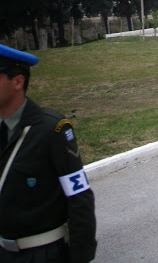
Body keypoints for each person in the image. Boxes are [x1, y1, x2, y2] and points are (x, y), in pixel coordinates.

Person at [0, 44, 97, 262]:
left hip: (42, 253)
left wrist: (81, 255)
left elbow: (79, 197)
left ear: (17, 82)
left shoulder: (50, 130)